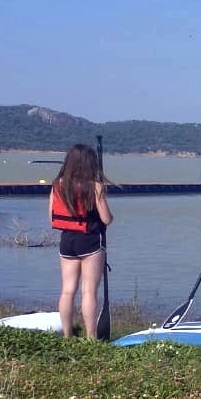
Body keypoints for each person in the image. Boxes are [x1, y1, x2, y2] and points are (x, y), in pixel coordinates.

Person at [50, 143, 113, 339]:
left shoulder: (57, 184)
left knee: (67, 290)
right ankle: (91, 337)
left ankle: (67, 335)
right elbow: (106, 219)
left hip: (67, 241)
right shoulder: (95, 186)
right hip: (89, 242)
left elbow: (51, 215)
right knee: (88, 292)